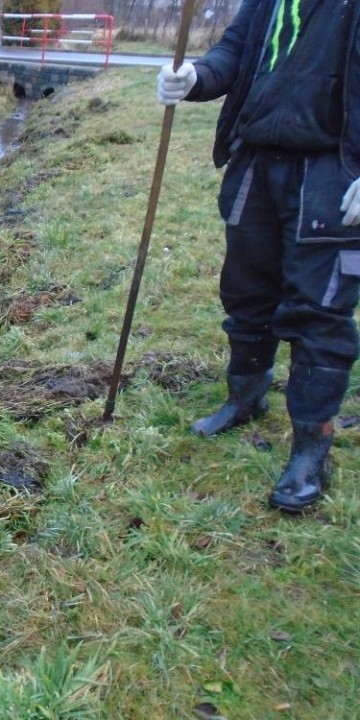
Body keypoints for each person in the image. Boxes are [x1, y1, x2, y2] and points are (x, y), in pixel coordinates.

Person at [156, 0, 360, 512]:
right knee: (246, 294)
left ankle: (311, 448)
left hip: (331, 170)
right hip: (257, 160)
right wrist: (195, 77)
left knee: (319, 314)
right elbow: (235, 50)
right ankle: (245, 397)